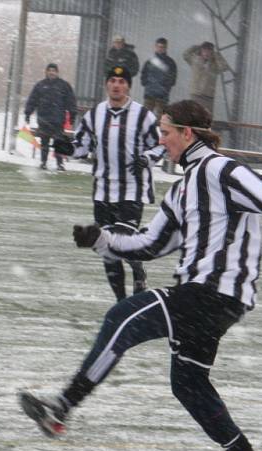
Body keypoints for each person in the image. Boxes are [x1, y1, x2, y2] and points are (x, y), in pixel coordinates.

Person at [20, 99, 262, 451]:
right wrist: (102, 239)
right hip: (206, 297)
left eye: (165, 132)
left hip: (214, 292)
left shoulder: (222, 170)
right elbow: (150, 244)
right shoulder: (181, 190)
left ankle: (61, 408)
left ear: (187, 134)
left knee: (121, 317)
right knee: (187, 383)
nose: (161, 141)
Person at [55, 65, 164, 302]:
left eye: (121, 81)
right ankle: (120, 302)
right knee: (106, 248)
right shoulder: (94, 115)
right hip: (103, 190)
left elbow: (160, 144)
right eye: (113, 80)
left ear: (128, 87)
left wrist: (146, 158)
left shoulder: (143, 115)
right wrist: (67, 149)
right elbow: (82, 145)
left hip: (132, 190)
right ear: (107, 84)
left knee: (125, 240)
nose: (116, 85)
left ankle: (137, 271)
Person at [24, 63, 77, 171]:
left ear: (57, 72)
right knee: (44, 142)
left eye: (54, 70)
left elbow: (71, 101)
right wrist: (28, 113)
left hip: (58, 120)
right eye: (50, 70)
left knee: (59, 142)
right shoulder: (40, 85)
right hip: (44, 119)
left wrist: (72, 115)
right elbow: (32, 100)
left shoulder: (64, 86)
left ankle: (60, 164)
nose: (51, 72)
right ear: (46, 72)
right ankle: (43, 162)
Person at [183, 41, 229, 116]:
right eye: (204, 50)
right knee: (193, 116)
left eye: (209, 51)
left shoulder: (214, 64)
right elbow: (185, 55)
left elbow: (224, 67)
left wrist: (217, 55)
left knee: (207, 118)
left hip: (208, 96)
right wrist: (195, 47)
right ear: (201, 51)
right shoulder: (195, 60)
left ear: (212, 52)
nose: (206, 53)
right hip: (196, 94)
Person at [140, 37, 177, 118]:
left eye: (162, 47)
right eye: (158, 46)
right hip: (149, 94)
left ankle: (159, 131)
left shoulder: (170, 62)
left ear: (166, 48)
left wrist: (165, 87)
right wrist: (146, 84)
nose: (160, 49)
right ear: (155, 47)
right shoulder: (149, 61)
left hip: (162, 96)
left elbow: (173, 78)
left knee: (161, 119)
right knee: (146, 117)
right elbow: (143, 74)